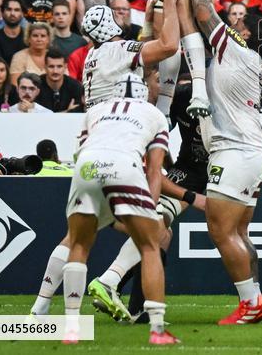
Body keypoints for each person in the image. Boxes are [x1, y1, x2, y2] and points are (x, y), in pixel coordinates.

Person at [185, 0, 262, 324]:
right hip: (252, 149)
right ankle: (255, 298)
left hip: (235, 152)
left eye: (244, 26)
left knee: (219, 229)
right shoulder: (249, 61)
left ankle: (251, 302)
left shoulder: (235, 51)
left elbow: (201, 12)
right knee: (240, 233)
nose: (237, 27)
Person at [60, 72, 179, 345]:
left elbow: (80, 153)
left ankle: (71, 328)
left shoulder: (96, 110)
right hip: (126, 165)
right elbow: (154, 169)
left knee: (78, 244)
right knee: (150, 245)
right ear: (144, 93)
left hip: (87, 166)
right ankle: (158, 330)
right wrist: (150, 209)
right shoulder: (154, 115)